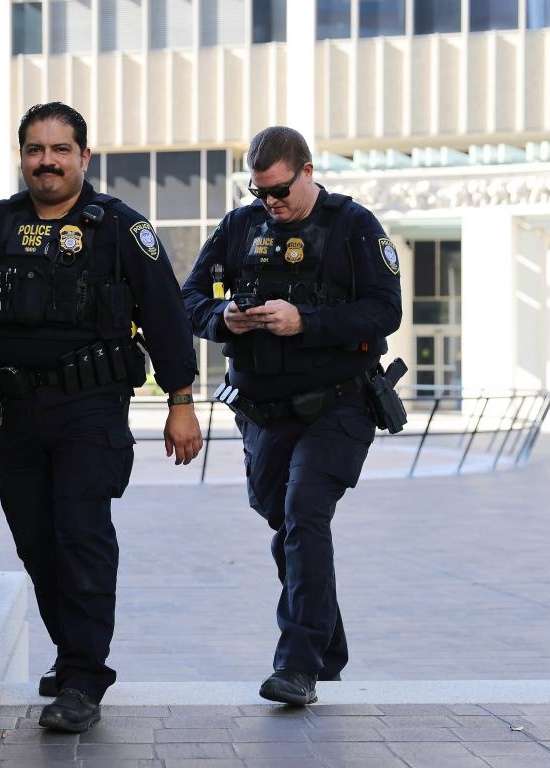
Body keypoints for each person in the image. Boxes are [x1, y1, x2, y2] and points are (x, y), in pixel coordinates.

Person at [0, 102, 202, 732]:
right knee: (38, 544)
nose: (46, 161)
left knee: (80, 534)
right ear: (23, 157)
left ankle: (83, 677)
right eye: (35, 150)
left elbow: (165, 317)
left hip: (91, 411)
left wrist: (181, 402)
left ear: (84, 158)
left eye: (60, 150)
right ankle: (76, 654)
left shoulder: (121, 230)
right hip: (19, 413)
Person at [182, 126, 402, 706]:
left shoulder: (352, 225)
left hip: (339, 404)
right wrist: (221, 319)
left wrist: (305, 320)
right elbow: (188, 299)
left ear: (307, 170)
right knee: (282, 520)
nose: (271, 205)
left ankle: (297, 667)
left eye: (280, 191)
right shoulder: (238, 226)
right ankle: (326, 644)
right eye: (261, 194)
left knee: (305, 513)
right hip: (262, 412)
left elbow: (386, 310)